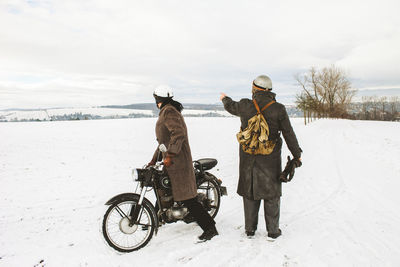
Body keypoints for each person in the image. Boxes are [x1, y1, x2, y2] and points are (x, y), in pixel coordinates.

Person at [220, 75, 302, 239]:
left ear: (255, 89)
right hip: (270, 158)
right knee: (271, 193)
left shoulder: (245, 105)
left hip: (248, 157)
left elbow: (230, 106)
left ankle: (250, 229)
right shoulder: (278, 109)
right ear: (269, 90)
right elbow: (288, 133)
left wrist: (224, 98)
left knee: (250, 191)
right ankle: (273, 231)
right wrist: (296, 154)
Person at [149, 85, 219, 241]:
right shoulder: (167, 110)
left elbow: (178, 134)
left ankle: (210, 228)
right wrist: (154, 159)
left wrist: (171, 154)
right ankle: (156, 220)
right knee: (162, 188)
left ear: (157, 99)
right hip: (171, 162)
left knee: (188, 198)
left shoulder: (169, 111)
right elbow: (163, 142)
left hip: (178, 162)